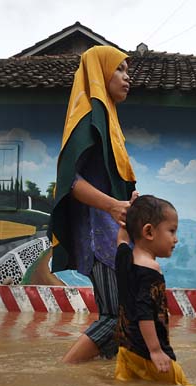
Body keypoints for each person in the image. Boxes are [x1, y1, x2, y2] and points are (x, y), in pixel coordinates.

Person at [48, 45, 137, 363]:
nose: (128, 78)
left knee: (121, 318)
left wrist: (128, 201)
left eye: (128, 71)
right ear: (100, 72)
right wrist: (114, 205)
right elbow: (70, 182)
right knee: (114, 318)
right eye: (121, 69)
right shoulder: (88, 119)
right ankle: (61, 372)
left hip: (112, 231)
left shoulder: (108, 119)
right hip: (100, 233)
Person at [114, 195, 191, 386]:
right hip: (149, 355)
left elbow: (122, 239)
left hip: (126, 352)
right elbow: (144, 313)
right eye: (171, 231)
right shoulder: (151, 270)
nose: (176, 239)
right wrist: (156, 350)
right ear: (149, 231)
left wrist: (131, 212)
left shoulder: (123, 258)